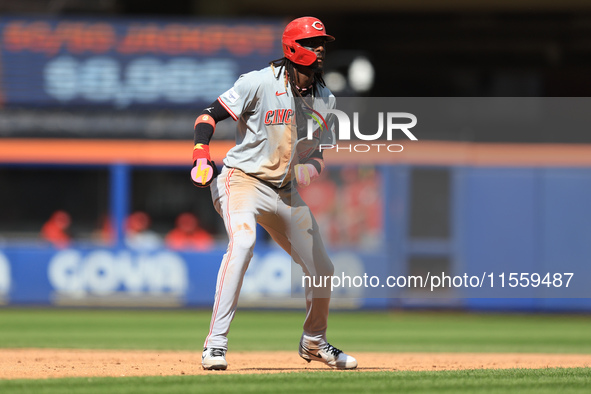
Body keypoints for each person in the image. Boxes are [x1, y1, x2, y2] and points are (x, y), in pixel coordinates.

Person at [191, 16, 357, 370]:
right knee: (245, 242)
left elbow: (316, 152)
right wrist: (200, 155)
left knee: (323, 268)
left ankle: (314, 341)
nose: (320, 50)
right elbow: (207, 116)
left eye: (322, 43)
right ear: (293, 48)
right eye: (313, 44)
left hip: (284, 191)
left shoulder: (324, 97)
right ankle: (215, 345)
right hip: (241, 180)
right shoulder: (258, 82)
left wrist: (310, 167)